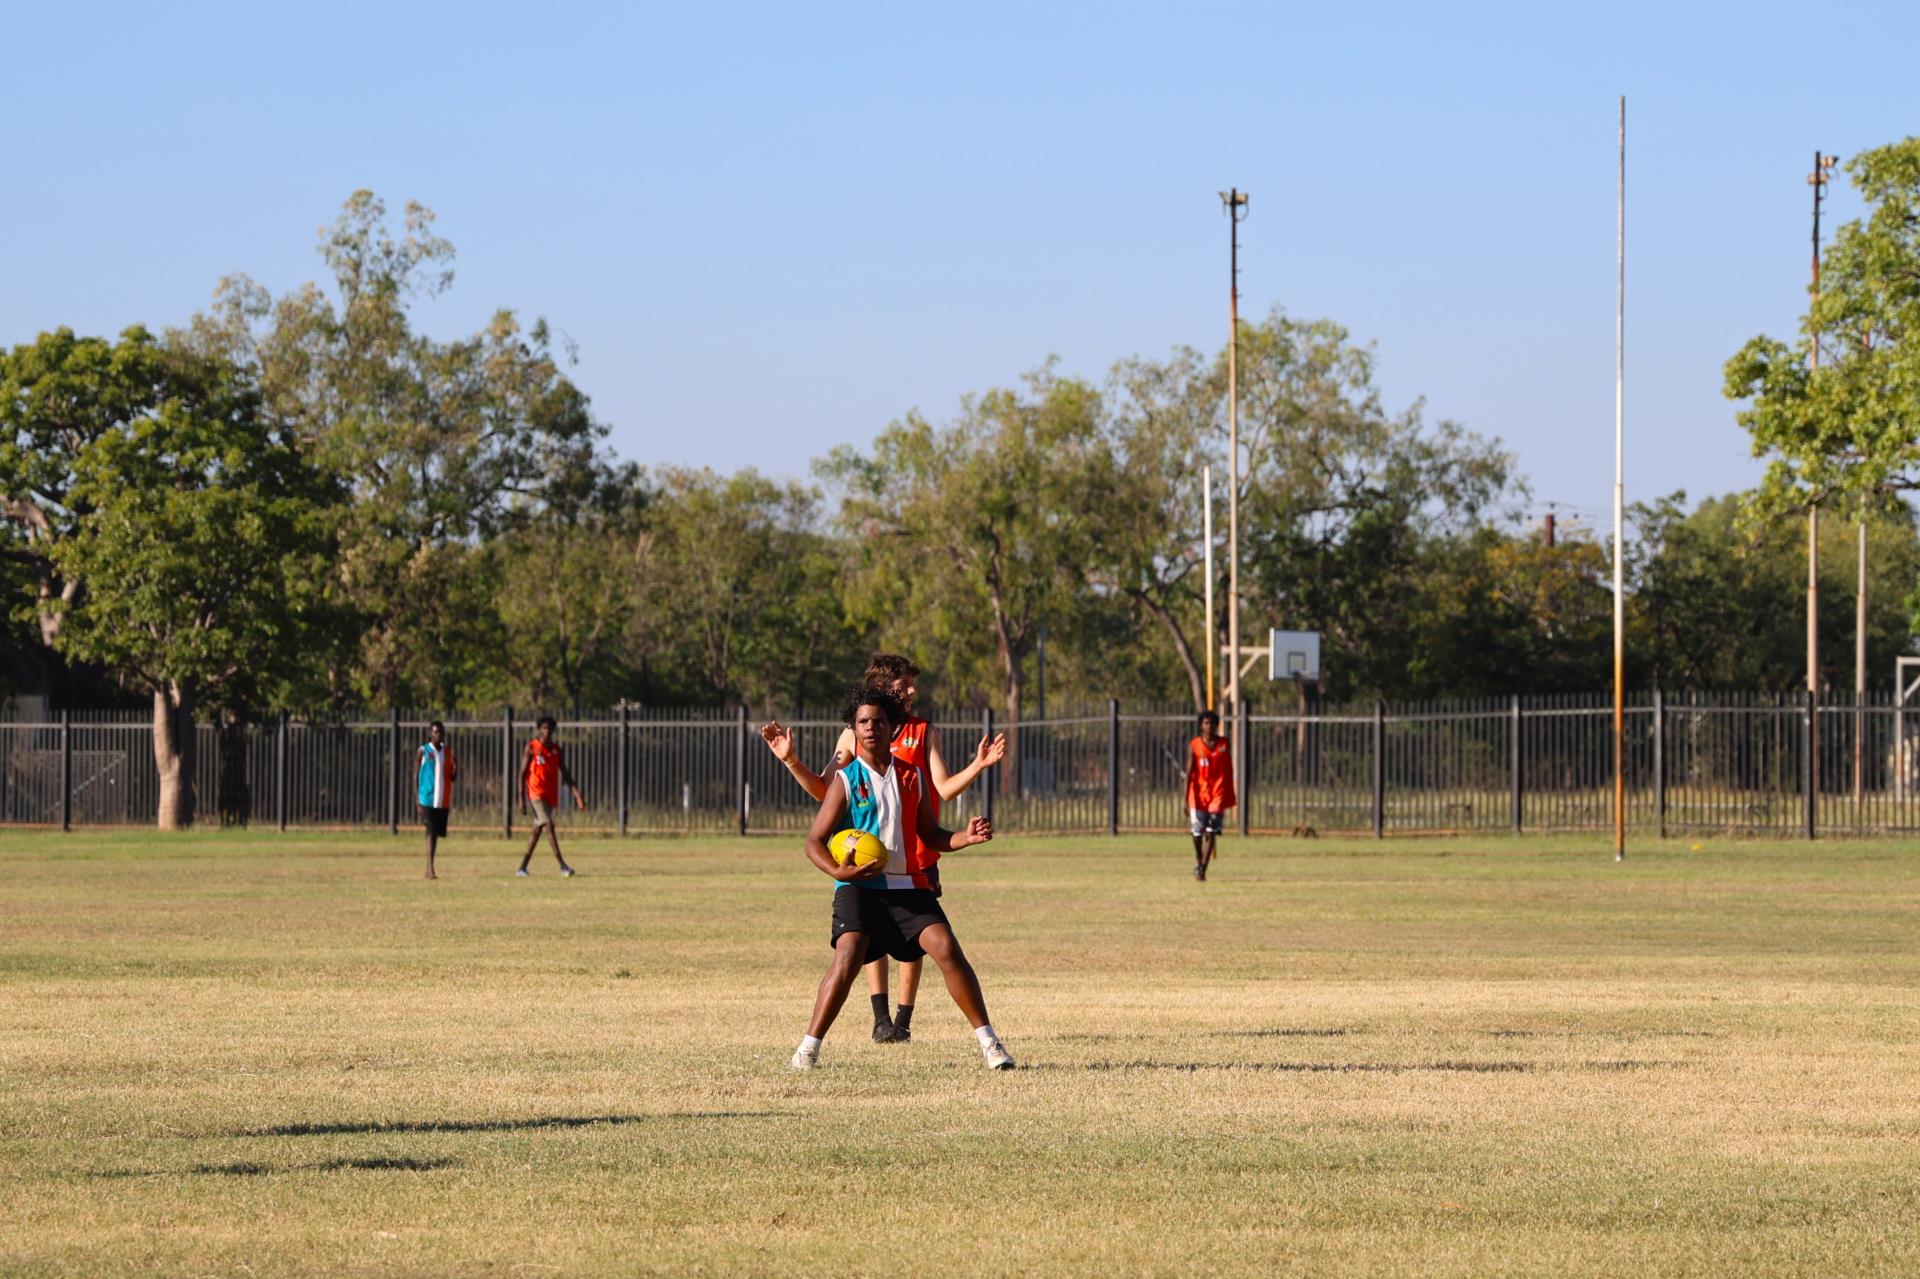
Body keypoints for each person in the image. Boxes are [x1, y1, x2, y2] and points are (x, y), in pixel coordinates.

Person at [760, 653, 1005, 1043]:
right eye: (903, 684)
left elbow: (937, 799)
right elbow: (825, 793)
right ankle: (869, 1023)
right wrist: (791, 760)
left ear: (890, 727)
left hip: (912, 858)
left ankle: (915, 1023)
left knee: (930, 946)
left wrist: (973, 785)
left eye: (912, 685)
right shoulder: (853, 743)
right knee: (857, 948)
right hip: (865, 866)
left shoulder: (921, 735)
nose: (911, 691)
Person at [517, 715, 584, 878]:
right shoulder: (532, 747)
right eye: (544, 728)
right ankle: (563, 866)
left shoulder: (556, 750)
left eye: (549, 728)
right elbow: (522, 774)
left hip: (549, 796)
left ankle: (522, 868)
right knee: (549, 825)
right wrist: (520, 798)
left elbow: (566, 774)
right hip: (535, 794)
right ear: (539, 729)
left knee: (536, 831)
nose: (547, 731)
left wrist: (577, 796)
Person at [1185, 709, 1235, 881]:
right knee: (1197, 833)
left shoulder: (1224, 744)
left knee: (1212, 831)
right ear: (1201, 725)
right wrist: (1185, 799)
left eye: (1212, 723)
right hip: (1198, 794)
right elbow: (1189, 772)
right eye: (1206, 723)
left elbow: (1227, 768)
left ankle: (1202, 869)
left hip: (1217, 794)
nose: (1209, 726)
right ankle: (1199, 857)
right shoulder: (1195, 745)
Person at [418, 720, 457, 880]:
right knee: (430, 830)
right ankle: (430, 868)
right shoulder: (424, 751)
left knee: (436, 833)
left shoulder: (448, 752)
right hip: (426, 797)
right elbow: (415, 775)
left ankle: (430, 867)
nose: (438, 735)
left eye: (441, 732)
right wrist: (417, 798)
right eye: (435, 732)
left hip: (442, 799)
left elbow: (453, 777)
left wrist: (456, 766)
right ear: (430, 733)